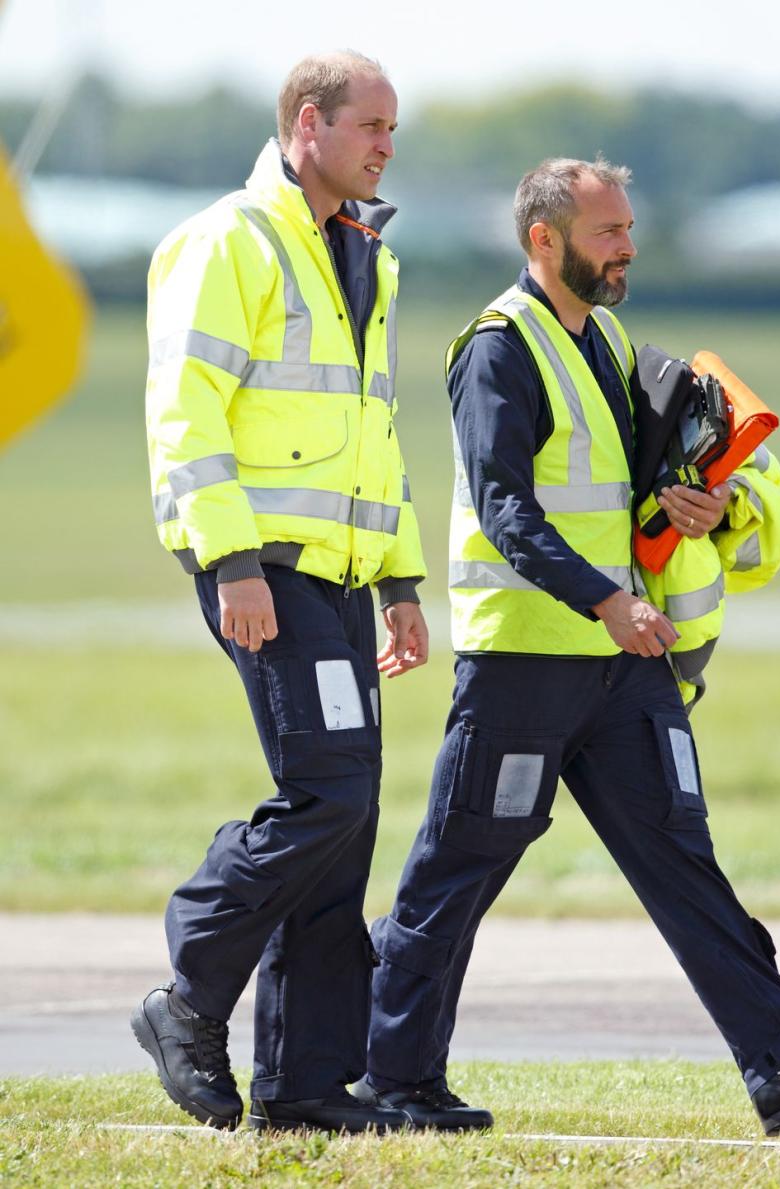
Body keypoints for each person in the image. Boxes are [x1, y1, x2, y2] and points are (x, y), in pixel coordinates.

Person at [354, 157, 780, 1136]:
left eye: (627, 230)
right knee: (458, 868)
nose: (626, 249)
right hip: (524, 659)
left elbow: (630, 485)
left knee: (682, 856)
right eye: (607, 233)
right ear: (542, 241)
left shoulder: (604, 337)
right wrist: (605, 598)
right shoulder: (497, 348)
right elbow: (505, 507)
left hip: (621, 661)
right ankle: (394, 1079)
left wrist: (701, 499)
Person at [132, 51, 428, 1135]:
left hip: (343, 571)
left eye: (394, 128)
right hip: (265, 565)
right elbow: (186, 413)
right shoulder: (229, 241)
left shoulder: (364, 253)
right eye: (372, 125)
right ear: (309, 123)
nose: (388, 145)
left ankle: (305, 1087)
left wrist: (399, 576)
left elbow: (374, 436)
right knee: (330, 794)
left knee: (347, 827)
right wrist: (231, 564)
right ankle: (186, 996)